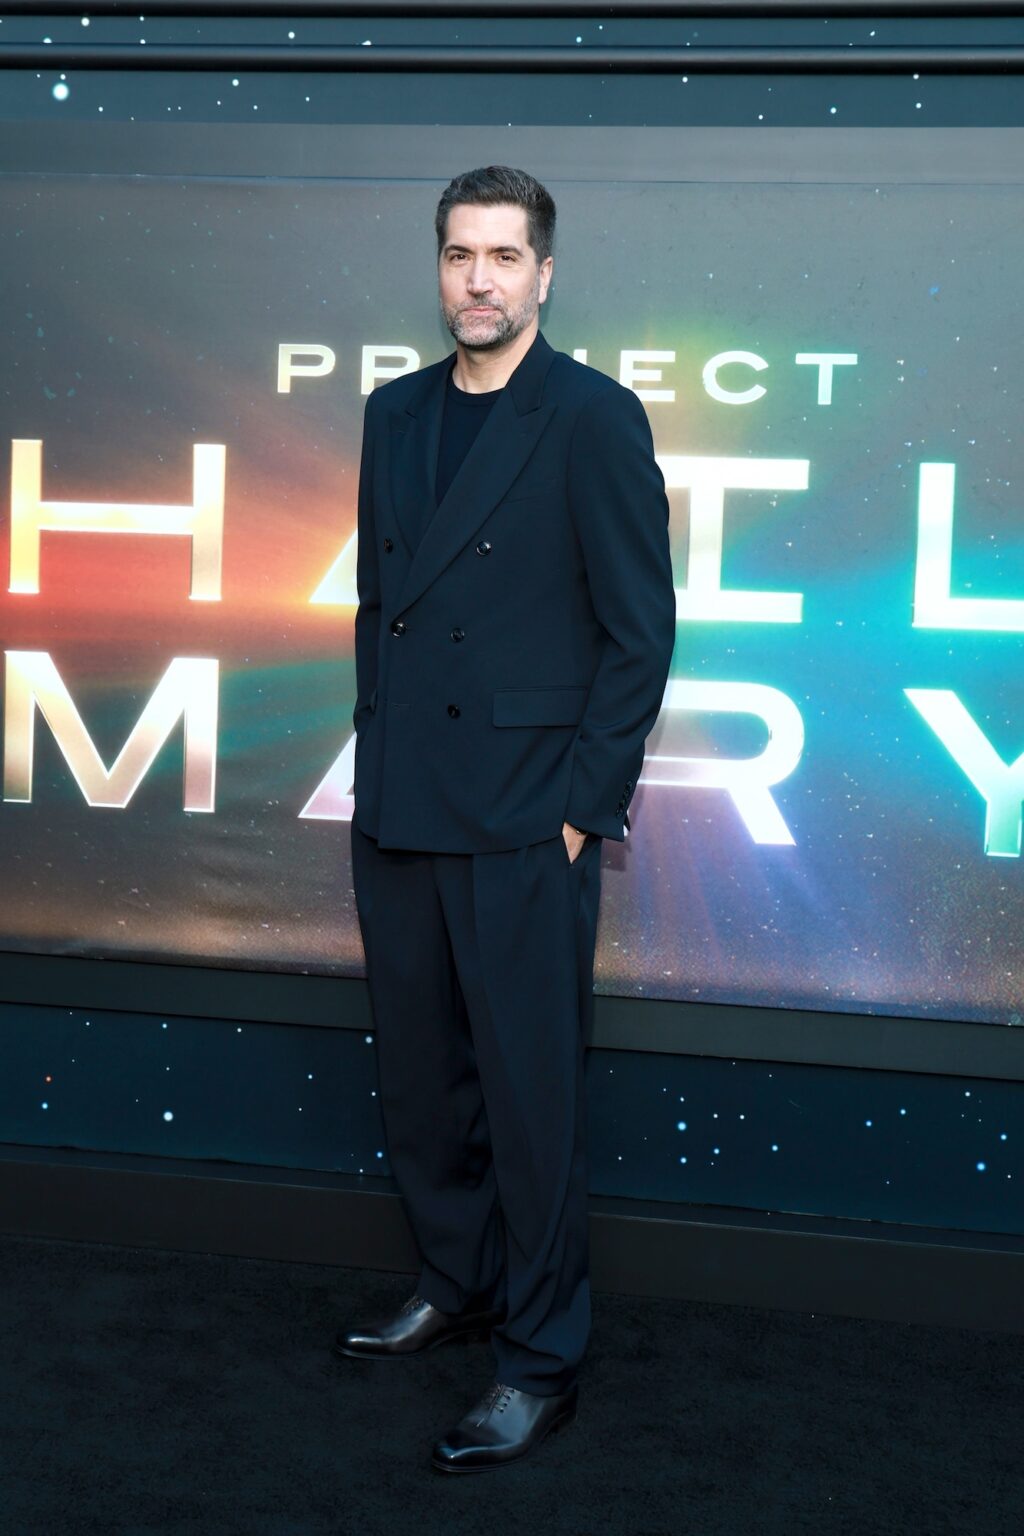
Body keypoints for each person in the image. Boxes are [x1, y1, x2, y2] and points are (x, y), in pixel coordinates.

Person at [337, 164, 677, 1474]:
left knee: (532, 1100)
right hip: (407, 802)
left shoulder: (591, 417)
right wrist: (376, 762)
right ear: (439, 268)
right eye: (457, 254)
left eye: (503, 256)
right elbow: (383, 608)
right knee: (425, 1079)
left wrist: (586, 811)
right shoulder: (394, 413)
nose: (478, 277)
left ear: (544, 274)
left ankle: (541, 1359)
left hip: (530, 814)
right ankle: (454, 1278)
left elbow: (638, 632)